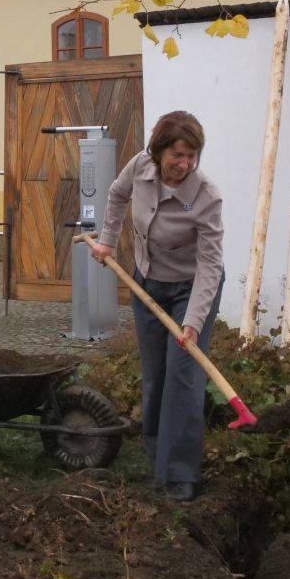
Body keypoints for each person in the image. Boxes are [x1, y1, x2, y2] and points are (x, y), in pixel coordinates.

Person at [91, 110, 224, 502]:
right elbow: (117, 196)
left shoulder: (206, 196)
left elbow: (211, 265)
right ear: (158, 151)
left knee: (183, 376)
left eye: (191, 155)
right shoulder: (139, 167)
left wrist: (194, 322)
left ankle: (181, 473)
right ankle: (157, 460)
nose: (184, 164)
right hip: (147, 282)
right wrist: (108, 240)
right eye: (177, 155)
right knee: (155, 375)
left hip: (191, 290)